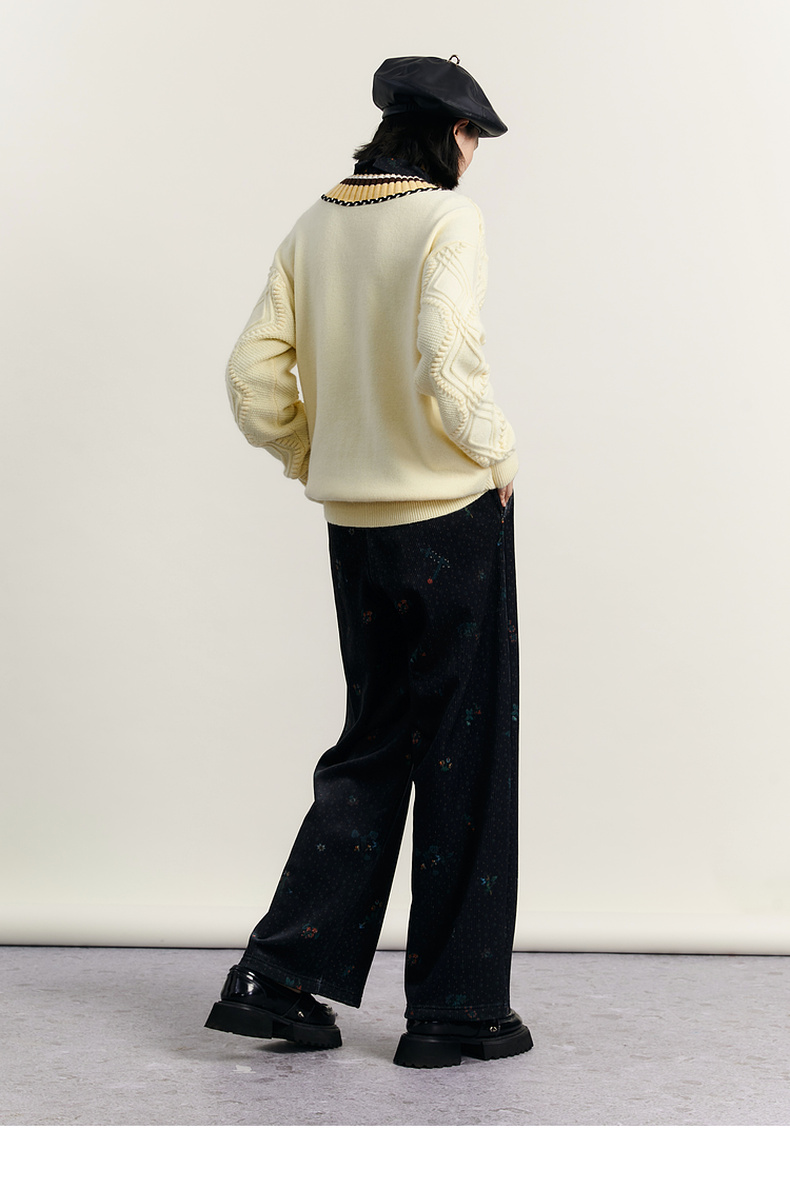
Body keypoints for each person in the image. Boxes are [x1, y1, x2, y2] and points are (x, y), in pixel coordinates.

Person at [204, 55, 533, 1069]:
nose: (474, 155)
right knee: (465, 754)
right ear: (448, 136)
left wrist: (317, 456)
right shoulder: (447, 219)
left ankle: (275, 975)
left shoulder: (314, 225)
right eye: (472, 137)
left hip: (356, 528)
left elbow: (252, 375)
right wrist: (498, 452)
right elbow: (446, 354)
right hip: (449, 516)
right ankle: (454, 1009)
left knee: (375, 742)